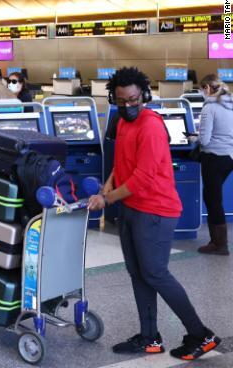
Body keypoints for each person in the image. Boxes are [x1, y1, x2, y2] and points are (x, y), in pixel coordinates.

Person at [87, 67, 221, 361]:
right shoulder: (122, 123)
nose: (129, 106)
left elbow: (142, 178)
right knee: (138, 273)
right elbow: (121, 167)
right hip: (133, 208)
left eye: (134, 100)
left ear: (144, 96)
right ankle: (149, 338)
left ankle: (201, 334)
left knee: (156, 273)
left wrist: (106, 199)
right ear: (114, 99)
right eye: (122, 101)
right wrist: (105, 188)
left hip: (156, 210)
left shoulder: (150, 125)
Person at [195, 74, 233, 255]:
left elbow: (205, 139)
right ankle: (218, 242)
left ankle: (219, 244)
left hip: (214, 157)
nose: (202, 92)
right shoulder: (230, 103)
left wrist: (194, 137)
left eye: (202, 89)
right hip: (229, 157)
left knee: (212, 199)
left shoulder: (209, 108)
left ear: (208, 88)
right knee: (215, 197)